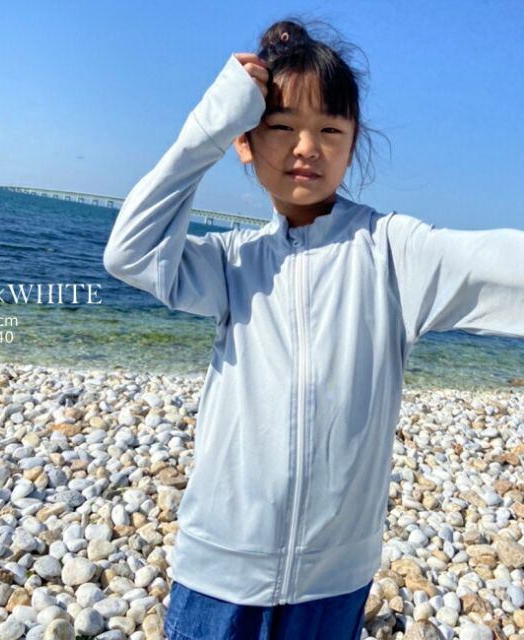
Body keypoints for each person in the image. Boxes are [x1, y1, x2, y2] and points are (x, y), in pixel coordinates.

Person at [102, 16, 524, 640]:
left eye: (330, 130)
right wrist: (207, 128)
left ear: (353, 144)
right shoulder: (232, 262)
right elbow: (131, 255)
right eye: (282, 127)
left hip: (333, 581)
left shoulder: (393, 253)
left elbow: (504, 265)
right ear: (245, 141)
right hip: (219, 571)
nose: (307, 147)